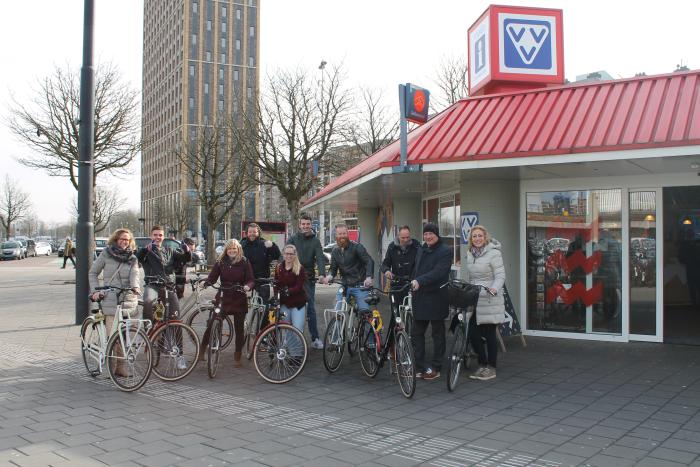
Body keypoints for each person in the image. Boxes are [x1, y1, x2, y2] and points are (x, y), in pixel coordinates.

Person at [88, 228, 141, 377]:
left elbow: (135, 275)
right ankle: (113, 367)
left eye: (127, 239)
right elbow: (93, 272)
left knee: (126, 336)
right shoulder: (106, 254)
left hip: (127, 298)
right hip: (110, 298)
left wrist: (135, 286)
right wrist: (95, 291)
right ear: (116, 239)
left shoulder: (132, 258)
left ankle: (120, 366)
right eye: (122, 239)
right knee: (113, 336)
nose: (125, 242)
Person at [410, 222, 453, 380]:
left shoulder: (445, 251)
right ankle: (419, 367)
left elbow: (439, 272)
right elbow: (416, 269)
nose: (428, 236)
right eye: (425, 234)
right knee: (416, 333)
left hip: (437, 297)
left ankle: (436, 367)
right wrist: (411, 280)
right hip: (420, 296)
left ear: (437, 234)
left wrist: (419, 280)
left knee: (437, 334)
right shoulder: (422, 248)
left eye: (431, 234)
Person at [465, 225, 506, 381]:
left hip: (489, 297)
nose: (477, 239)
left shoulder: (494, 253)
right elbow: (472, 277)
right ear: (471, 239)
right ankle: (482, 363)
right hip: (475, 297)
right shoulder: (470, 254)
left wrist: (494, 288)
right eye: (474, 236)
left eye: (480, 236)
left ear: (485, 237)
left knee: (489, 334)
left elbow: (500, 275)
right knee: (472, 332)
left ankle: (491, 367)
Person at [205, 239, 254, 367]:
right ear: (226, 250)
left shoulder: (244, 262)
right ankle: (202, 349)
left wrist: (248, 286)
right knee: (212, 323)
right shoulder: (220, 262)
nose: (232, 251)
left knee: (239, 329)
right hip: (223, 296)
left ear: (238, 250)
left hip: (239, 297)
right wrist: (205, 283)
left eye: (234, 249)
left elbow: (250, 280)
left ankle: (237, 356)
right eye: (229, 249)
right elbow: (212, 277)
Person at [136, 225, 191, 324]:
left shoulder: (170, 251)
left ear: (163, 237)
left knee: (175, 316)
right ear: (151, 236)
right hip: (152, 285)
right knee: (148, 301)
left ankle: (174, 338)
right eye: (155, 235)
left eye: (160, 235)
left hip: (168, 286)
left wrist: (187, 252)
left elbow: (184, 259)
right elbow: (138, 258)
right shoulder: (146, 251)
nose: (158, 237)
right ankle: (148, 329)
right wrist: (145, 250)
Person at [288, 213, 326, 349]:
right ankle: (291, 339)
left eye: (308, 224)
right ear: (299, 225)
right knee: (290, 307)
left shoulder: (315, 241)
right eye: (303, 224)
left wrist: (322, 274)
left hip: (308, 279)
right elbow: (286, 255)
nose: (305, 226)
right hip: (293, 278)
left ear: (311, 225)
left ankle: (315, 338)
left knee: (310, 309)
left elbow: (320, 258)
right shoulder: (293, 239)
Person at [320, 224, 374, 314]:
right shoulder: (335, 251)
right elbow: (333, 269)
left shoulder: (357, 247)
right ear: (336, 235)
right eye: (339, 234)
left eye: (344, 233)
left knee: (365, 313)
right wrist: (328, 277)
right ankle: (337, 326)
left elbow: (369, 261)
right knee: (337, 311)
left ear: (347, 234)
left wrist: (368, 277)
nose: (342, 236)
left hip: (360, 285)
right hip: (345, 286)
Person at [381, 225, 420, 302]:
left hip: (413, 283)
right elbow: (385, 264)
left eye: (408, 237)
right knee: (395, 310)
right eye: (403, 238)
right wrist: (387, 271)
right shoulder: (392, 247)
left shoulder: (416, 246)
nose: (405, 240)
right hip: (397, 284)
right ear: (398, 236)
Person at [275, 244, 308, 332]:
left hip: (297, 304)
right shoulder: (278, 268)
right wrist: (276, 296)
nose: (288, 256)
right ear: (283, 254)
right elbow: (276, 284)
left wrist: (288, 291)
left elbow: (299, 286)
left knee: (297, 329)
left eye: (291, 254)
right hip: (284, 303)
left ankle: (297, 346)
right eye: (286, 254)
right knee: (285, 330)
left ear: (295, 255)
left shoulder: (300, 269)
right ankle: (287, 346)